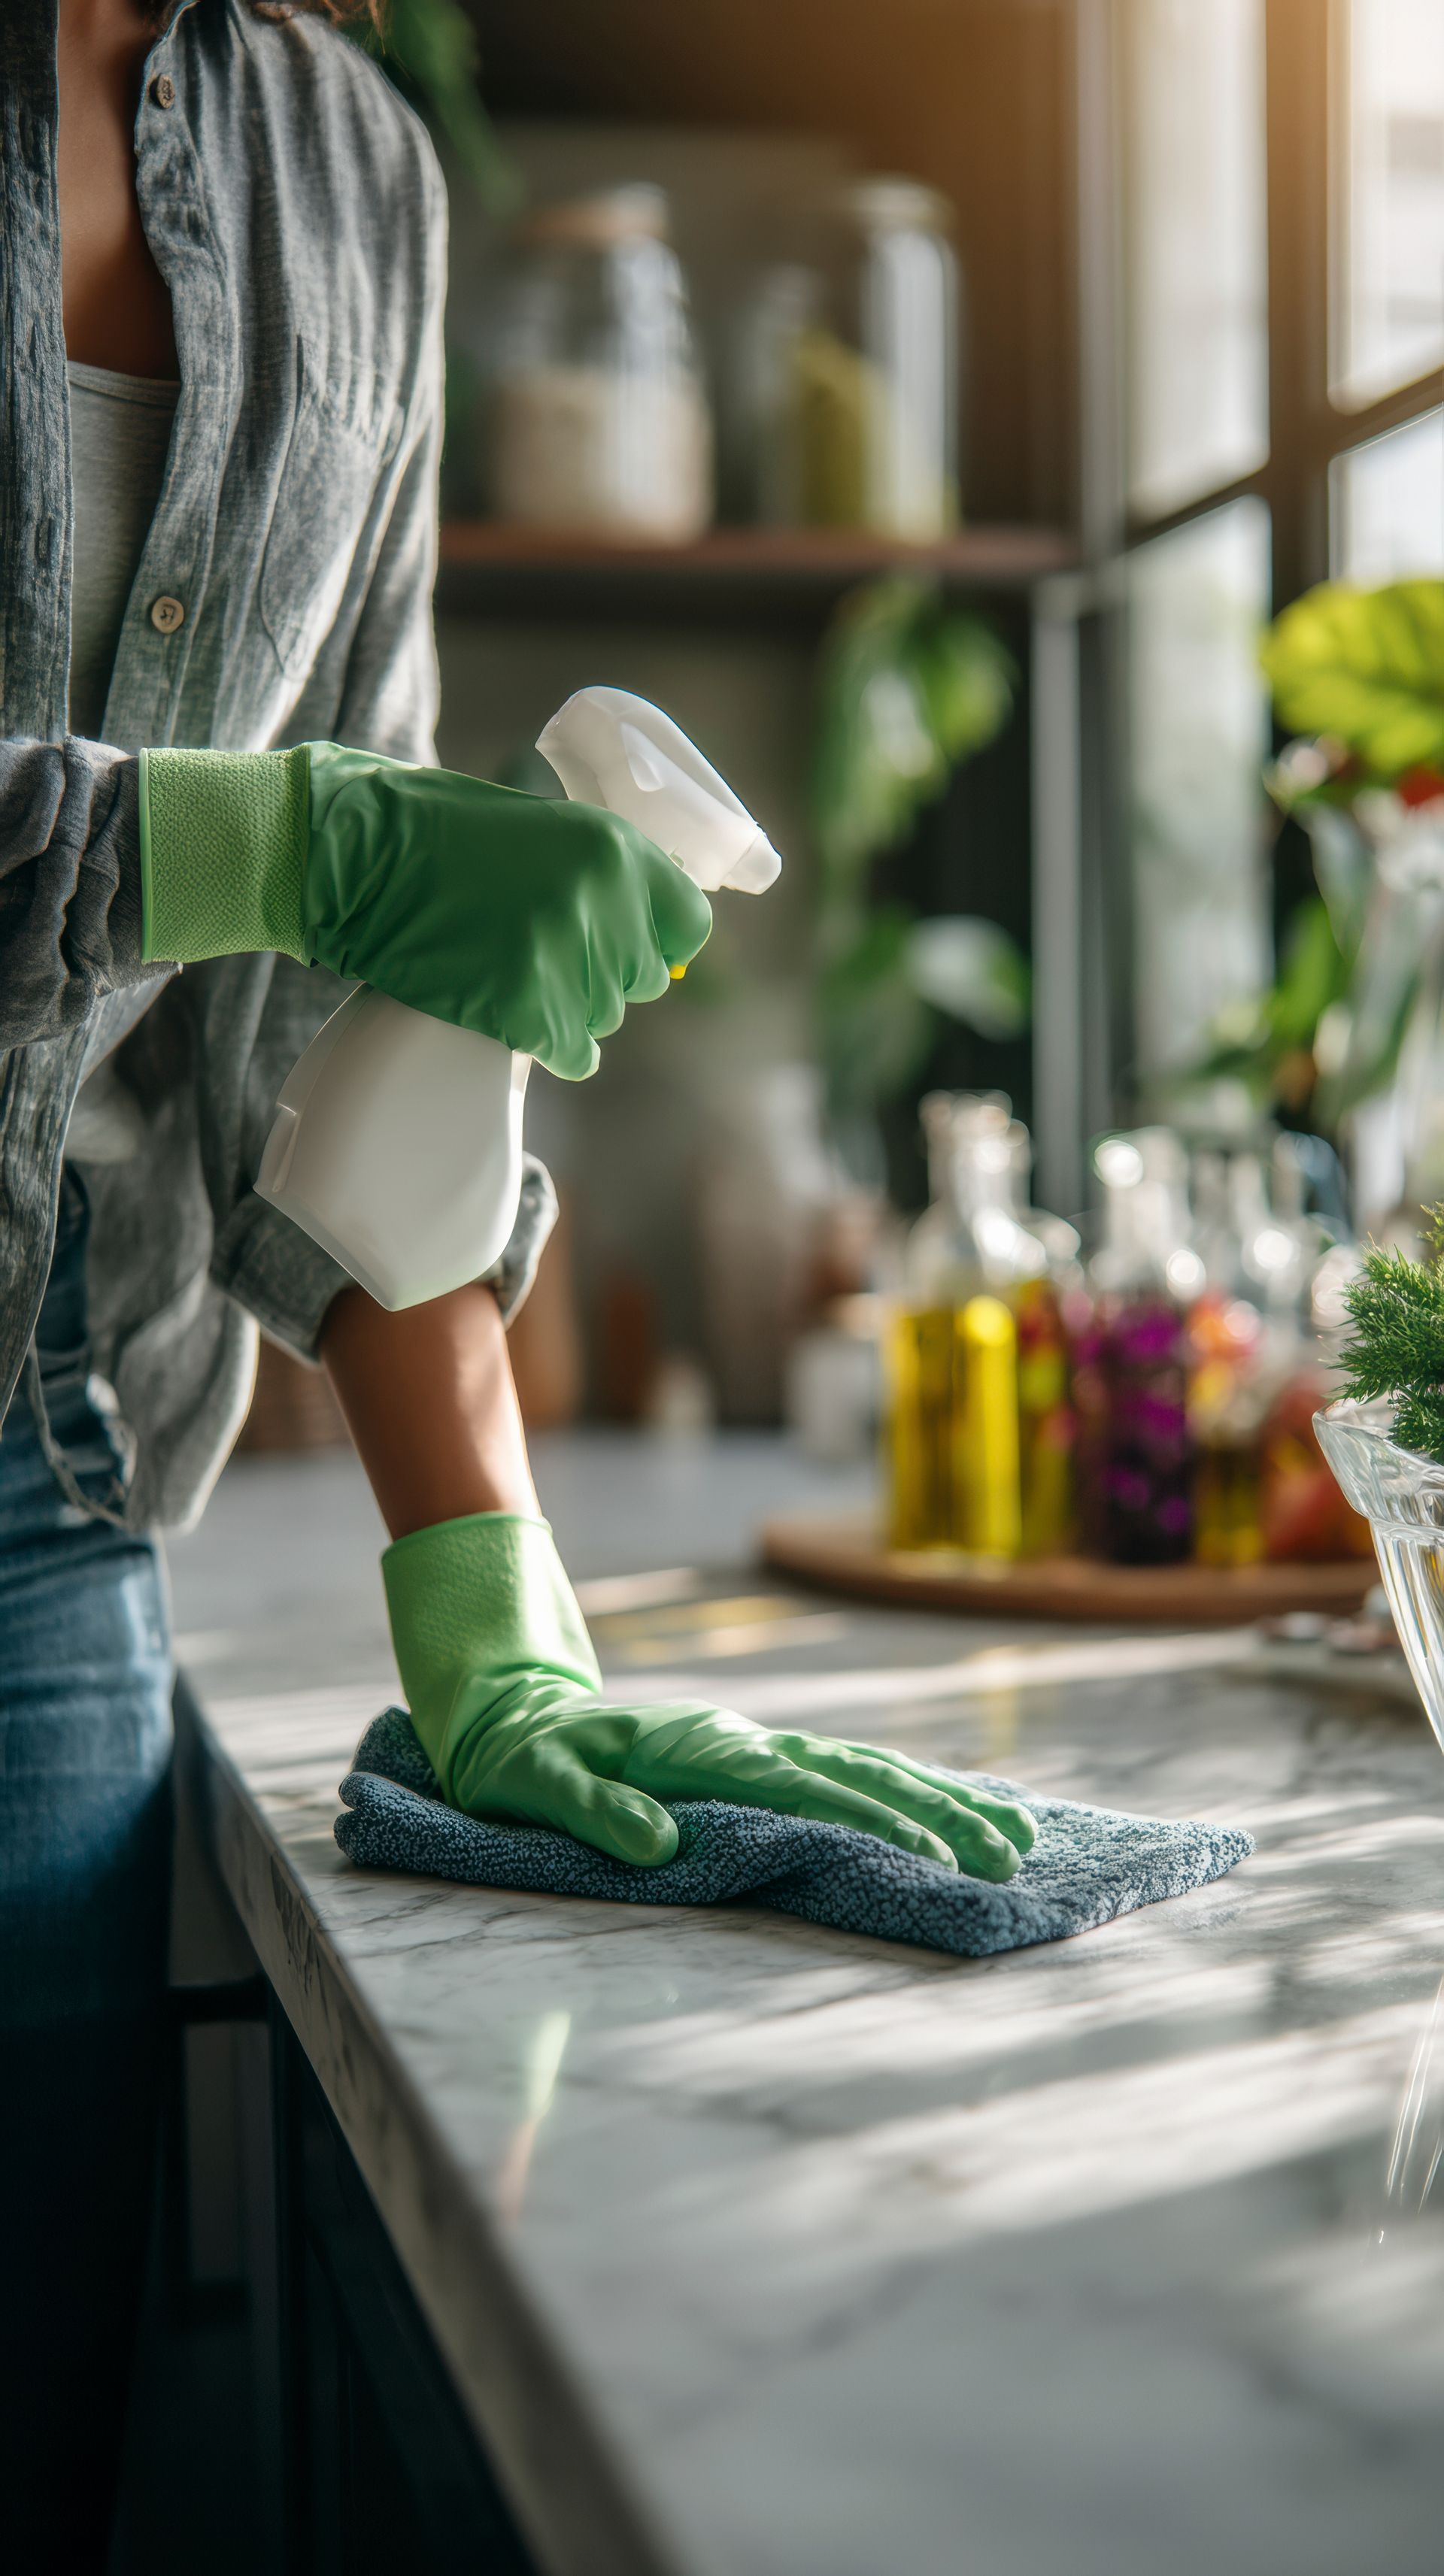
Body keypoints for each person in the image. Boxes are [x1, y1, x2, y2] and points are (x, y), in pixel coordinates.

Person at [0, 2, 1036, 2560]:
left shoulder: (351, 162)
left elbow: (294, 1041)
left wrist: (492, 1602)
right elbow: (300, 854)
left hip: (58, 1486)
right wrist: (306, 839)